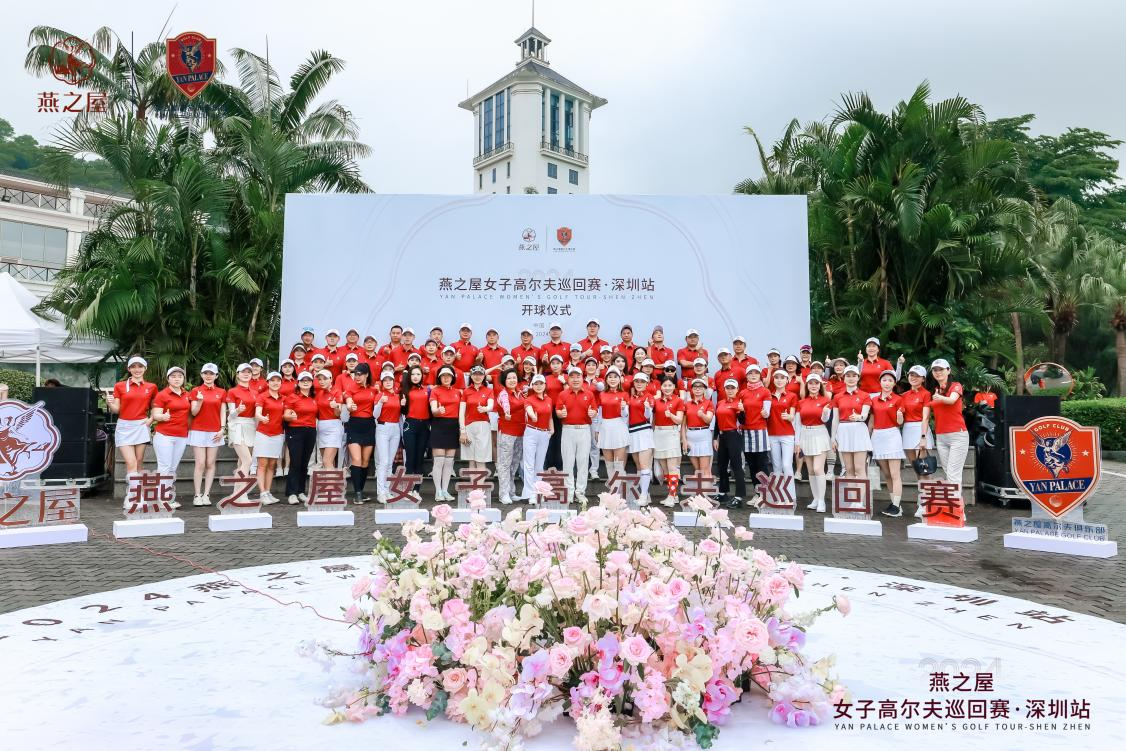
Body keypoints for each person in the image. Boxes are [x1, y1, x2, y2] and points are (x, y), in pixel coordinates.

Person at [107, 356, 157, 506]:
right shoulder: (120, 386)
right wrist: (110, 403)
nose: (137, 369)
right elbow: (116, 409)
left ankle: (137, 494)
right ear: (129, 369)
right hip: (124, 426)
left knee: (139, 463)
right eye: (133, 366)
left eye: (140, 366)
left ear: (145, 368)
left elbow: (156, 406)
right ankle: (131, 497)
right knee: (131, 462)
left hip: (141, 425)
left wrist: (151, 419)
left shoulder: (151, 387)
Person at [926, 358, 969, 514]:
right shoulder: (935, 390)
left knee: (953, 473)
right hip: (941, 436)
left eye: (941, 369)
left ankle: (957, 512)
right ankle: (956, 508)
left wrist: (939, 398)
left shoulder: (955, 386)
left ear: (948, 370)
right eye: (935, 370)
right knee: (948, 473)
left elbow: (951, 400)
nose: (938, 372)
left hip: (958, 435)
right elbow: (926, 408)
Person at [150, 366, 191, 509]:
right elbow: (155, 415)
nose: (177, 379)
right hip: (164, 435)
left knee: (172, 468)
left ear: (183, 379)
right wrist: (163, 417)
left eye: (180, 376)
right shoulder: (162, 395)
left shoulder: (187, 394)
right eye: (173, 376)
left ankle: (166, 497)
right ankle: (162, 499)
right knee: (165, 467)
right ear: (168, 379)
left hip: (181, 436)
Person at [556, 366, 597, 504]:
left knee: (583, 462)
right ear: (568, 379)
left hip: (584, 430)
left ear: (582, 378)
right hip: (568, 430)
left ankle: (580, 492)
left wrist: (593, 413)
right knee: (567, 463)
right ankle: (568, 492)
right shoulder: (563, 394)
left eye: (578, 376)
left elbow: (594, 410)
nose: (575, 379)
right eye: (572, 377)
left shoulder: (589, 394)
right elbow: (558, 411)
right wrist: (560, 414)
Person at [188, 363, 226, 507]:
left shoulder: (221, 392)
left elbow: (223, 411)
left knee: (210, 463)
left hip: (215, 431)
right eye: (206, 373)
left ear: (216, 376)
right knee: (200, 463)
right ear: (201, 375)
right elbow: (193, 412)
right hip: (198, 430)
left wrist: (222, 429)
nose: (208, 376)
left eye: (211, 374)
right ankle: (197, 494)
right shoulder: (196, 390)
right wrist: (199, 401)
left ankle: (206, 494)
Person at [871, 370, 907, 516]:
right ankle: (895, 504)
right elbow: (872, 421)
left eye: (890, 380)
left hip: (892, 435)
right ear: (880, 382)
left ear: (894, 383)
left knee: (894, 473)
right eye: (884, 380)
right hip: (877, 436)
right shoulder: (874, 400)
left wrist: (899, 416)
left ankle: (896, 505)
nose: (887, 383)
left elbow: (900, 422)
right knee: (886, 474)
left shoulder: (898, 399)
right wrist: (868, 438)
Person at [797, 373, 833, 512]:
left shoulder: (826, 400)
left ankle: (822, 501)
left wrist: (825, 412)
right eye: (811, 383)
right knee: (811, 470)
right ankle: (816, 499)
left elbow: (825, 420)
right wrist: (797, 442)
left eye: (816, 383)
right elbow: (798, 424)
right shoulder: (801, 402)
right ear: (807, 385)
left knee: (818, 468)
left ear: (820, 385)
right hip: (805, 434)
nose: (813, 386)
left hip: (820, 433)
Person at [343, 363, 379, 504]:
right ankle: (357, 493)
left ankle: (361, 491)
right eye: (355, 374)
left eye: (360, 374)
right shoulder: (350, 389)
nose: (357, 377)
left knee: (365, 461)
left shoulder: (373, 390)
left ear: (366, 375)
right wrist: (350, 406)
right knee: (356, 459)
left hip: (369, 425)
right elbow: (348, 402)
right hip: (355, 424)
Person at [739, 364, 772, 505]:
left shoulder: (765, 391)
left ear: (760, 375)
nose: (753, 375)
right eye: (750, 373)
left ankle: (766, 495)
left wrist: (765, 413)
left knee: (762, 464)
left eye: (756, 373)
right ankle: (757, 493)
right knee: (752, 465)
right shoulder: (742, 393)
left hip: (760, 431)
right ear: (746, 376)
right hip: (746, 431)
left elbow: (767, 412)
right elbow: (740, 414)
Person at [830, 365, 872, 478]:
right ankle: (852, 491)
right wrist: (833, 438)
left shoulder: (865, 395)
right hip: (843, 430)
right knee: (849, 469)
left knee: (859, 468)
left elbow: (864, 415)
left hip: (859, 429)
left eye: (854, 375)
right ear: (844, 378)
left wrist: (858, 417)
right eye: (848, 375)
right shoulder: (837, 397)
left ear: (858, 378)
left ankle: (861, 491)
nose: (851, 378)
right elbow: (835, 419)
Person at [283, 371, 318, 504]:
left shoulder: (313, 398)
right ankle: (291, 493)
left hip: (311, 431)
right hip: (295, 430)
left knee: (304, 462)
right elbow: (286, 415)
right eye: (303, 380)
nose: (305, 382)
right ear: (298, 383)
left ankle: (300, 491)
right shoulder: (292, 397)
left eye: (308, 380)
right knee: (295, 462)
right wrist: (290, 416)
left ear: (312, 383)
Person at [252, 371, 287, 505]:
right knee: (262, 464)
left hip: (278, 434)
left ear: (281, 383)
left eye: (278, 380)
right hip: (263, 434)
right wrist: (262, 418)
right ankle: (262, 493)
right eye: (272, 380)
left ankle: (267, 492)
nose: (275, 383)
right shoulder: (262, 397)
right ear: (267, 382)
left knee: (272, 465)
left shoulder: (283, 398)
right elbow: (257, 413)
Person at [765, 369, 799, 502]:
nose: (779, 380)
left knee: (786, 465)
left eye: (782, 378)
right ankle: (779, 497)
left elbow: (792, 415)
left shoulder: (792, 396)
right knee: (776, 467)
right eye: (777, 377)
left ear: (787, 380)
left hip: (787, 434)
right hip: (772, 434)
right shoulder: (769, 395)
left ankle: (790, 496)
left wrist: (789, 416)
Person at [429, 366, 462, 501]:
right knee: (439, 461)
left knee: (449, 462)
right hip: (439, 425)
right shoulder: (435, 391)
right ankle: (438, 491)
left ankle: (445, 490)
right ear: (439, 378)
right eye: (443, 376)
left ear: (452, 377)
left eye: (449, 375)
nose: (446, 378)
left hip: (453, 426)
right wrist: (438, 410)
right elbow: (433, 409)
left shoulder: (458, 392)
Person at [519, 374, 554, 501]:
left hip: (544, 433)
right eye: (536, 384)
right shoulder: (529, 399)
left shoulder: (549, 400)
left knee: (539, 464)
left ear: (545, 385)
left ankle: (538, 491)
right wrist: (533, 416)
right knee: (529, 464)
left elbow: (549, 416)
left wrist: (552, 429)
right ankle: (530, 494)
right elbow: (529, 409)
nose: (539, 386)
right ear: (532, 386)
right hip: (531, 432)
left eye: (541, 384)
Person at [713, 379, 746, 508]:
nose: (730, 390)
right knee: (721, 465)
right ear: (725, 389)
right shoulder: (720, 403)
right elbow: (717, 421)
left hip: (734, 435)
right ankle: (723, 492)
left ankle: (739, 496)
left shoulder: (739, 403)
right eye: (728, 388)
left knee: (736, 466)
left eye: (733, 388)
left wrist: (742, 411)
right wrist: (715, 437)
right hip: (722, 436)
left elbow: (742, 421)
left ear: (737, 389)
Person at [652, 377, 685, 506]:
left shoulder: (678, 400)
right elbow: (653, 419)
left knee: (672, 467)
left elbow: (680, 420)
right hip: (658, 434)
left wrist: (671, 415)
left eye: (669, 385)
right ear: (661, 387)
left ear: (674, 387)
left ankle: (671, 496)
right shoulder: (656, 401)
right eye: (664, 385)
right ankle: (673, 494)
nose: (667, 388)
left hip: (671, 433)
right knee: (665, 468)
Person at [495, 368, 526, 504]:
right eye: (509, 378)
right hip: (507, 431)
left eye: (514, 377)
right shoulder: (503, 394)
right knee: (504, 464)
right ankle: (503, 494)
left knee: (514, 463)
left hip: (521, 431)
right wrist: (507, 412)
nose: (512, 380)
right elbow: (506, 406)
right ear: (504, 381)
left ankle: (511, 491)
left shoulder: (521, 393)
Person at [596, 368, 629, 490]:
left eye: (615, 377)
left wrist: (623, 408)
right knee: (609, 463)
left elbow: (626, 416)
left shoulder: (624, 394)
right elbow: (599, 415)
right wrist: (597, 430)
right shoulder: (602, 394)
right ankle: (613, 490)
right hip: (605, 427)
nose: (613, 379)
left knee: (618, 463)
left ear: (620, 379)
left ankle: (617, 490)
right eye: (610, 377)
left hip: (619, 426)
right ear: (606, 379)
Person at [460, 365, 494, 485]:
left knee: (481, 459)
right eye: (475, 374)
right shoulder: (466, 391)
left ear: (484, 376)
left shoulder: (488, 390)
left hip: (483, 426)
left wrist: (485, 409)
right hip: (469, 426)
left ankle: (479, 488)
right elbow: (461, 412)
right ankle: (474, 487)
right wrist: (462, 431)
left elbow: (491, 405)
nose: (477, 377)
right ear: (471, 376)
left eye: (480, 374)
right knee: (471, 459)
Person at [626, 373, 656, 505]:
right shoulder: (631, 397)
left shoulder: (649, 397)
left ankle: (643, 496)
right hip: (633, 432)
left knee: (644, 465)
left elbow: (648, 416)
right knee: (638, 465)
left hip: (644, 431)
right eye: (637, 381)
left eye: (642, 382)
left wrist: (647, 408)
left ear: (646, 384)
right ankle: (646, 494)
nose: (639, 384)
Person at [400, 365, 430, 498]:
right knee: (410, 457)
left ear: (422, 376)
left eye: (418, 374)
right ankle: (407, 489)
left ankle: (416, 490)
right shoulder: (405, 390)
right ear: (409, 376)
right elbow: (402, 411)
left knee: (419, 459)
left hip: (424, 426)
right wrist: (402, 405)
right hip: (410, 425)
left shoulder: (427, 390)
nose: (415, 377)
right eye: (413, 374)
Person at [225, 363, 258, 475]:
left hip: (251, 426)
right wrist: (238, 410)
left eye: (249, 372)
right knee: (247, 461)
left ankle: (238, 486)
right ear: (237, 374)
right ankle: (241, 487)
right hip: (237, 425)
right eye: (243, 372)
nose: (246, 374)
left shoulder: (255, 393)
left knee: (241, 462)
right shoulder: (232, 391)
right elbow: (231, 415)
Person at [374, 371, 402, 503]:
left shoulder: (398, 396)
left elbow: (401, 414)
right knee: (384, 461)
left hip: (395, 428)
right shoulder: (380, 395)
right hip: (383, 427)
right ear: (382, 382)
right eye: (385, 380)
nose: (388, 382)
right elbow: (375, 415)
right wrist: (380, 402)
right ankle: (380, 492)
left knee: (390, 462)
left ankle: (387, 490)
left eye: (390, 379)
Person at [900, 364, 934, 471]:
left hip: (920, 429)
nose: (913, 378)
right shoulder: (903, 395)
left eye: (917, 376)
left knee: (924, 469)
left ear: (923, 379)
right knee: (916, 468)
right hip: (907, 430)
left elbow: (925, 417)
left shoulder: (926, 394)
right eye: (911, 375)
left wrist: (923, 437)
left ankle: (926, 484)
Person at [682, 379, 714, 479]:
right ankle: (699, 489)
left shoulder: (708, 403)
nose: (697, 389)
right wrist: (684, 440)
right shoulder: (687, 404)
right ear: (692, 389)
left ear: (704, 389)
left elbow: (708, 420)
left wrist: (702, 415)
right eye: (695, 387)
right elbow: (683, 425)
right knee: (697, 470)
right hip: (690, 437)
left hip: (704, 435)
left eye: (700, 387)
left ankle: (705, 489)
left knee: (704, 471)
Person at [314, 369, 344, 470]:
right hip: (321, 426)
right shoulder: (319, 393)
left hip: (333, 427)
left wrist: (336, 407)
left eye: (325, 379)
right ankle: (332, 479)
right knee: (327, 462)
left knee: (327, 461)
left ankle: (330, 481)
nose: (322, 381)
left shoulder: (337, 391)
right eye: (320, 379)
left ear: (331, 379)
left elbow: (338, 413)